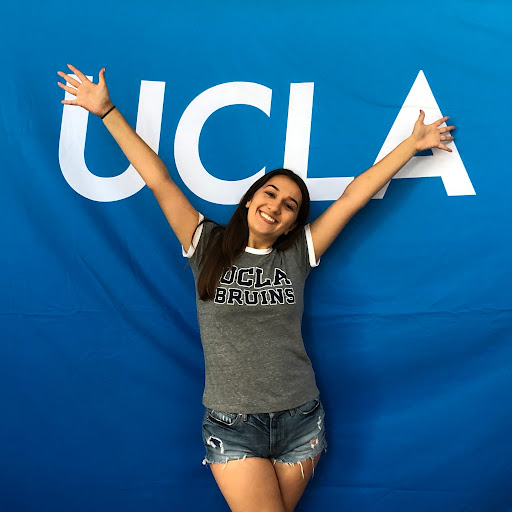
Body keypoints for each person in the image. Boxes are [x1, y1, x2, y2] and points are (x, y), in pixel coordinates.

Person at [57, 64, 455, 512]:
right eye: (270, 194)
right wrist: (107, 111)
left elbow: (352, 198)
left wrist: (412, 145)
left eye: (290, 206)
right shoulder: (204, 242)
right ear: (250, 198)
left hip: (301, 419)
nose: (276, 206)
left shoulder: (297, 254)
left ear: (292, 223)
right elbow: (159, 179)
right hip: (232, 426)